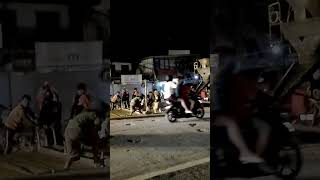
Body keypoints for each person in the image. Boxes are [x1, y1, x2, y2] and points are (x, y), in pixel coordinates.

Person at [212, 49, 267, 165]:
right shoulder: (223, 79)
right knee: (232, 123)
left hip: (228, 112)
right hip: (224, 115)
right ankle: (246, 154)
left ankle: (250, 155)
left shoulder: (226, 78)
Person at [37, 81, 63, 146]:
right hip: (47, 116)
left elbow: (57, 114)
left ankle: (57, 140)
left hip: (52, 116)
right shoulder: (43, 94)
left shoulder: (52, 92)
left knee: (56, 126)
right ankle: (50, 140)